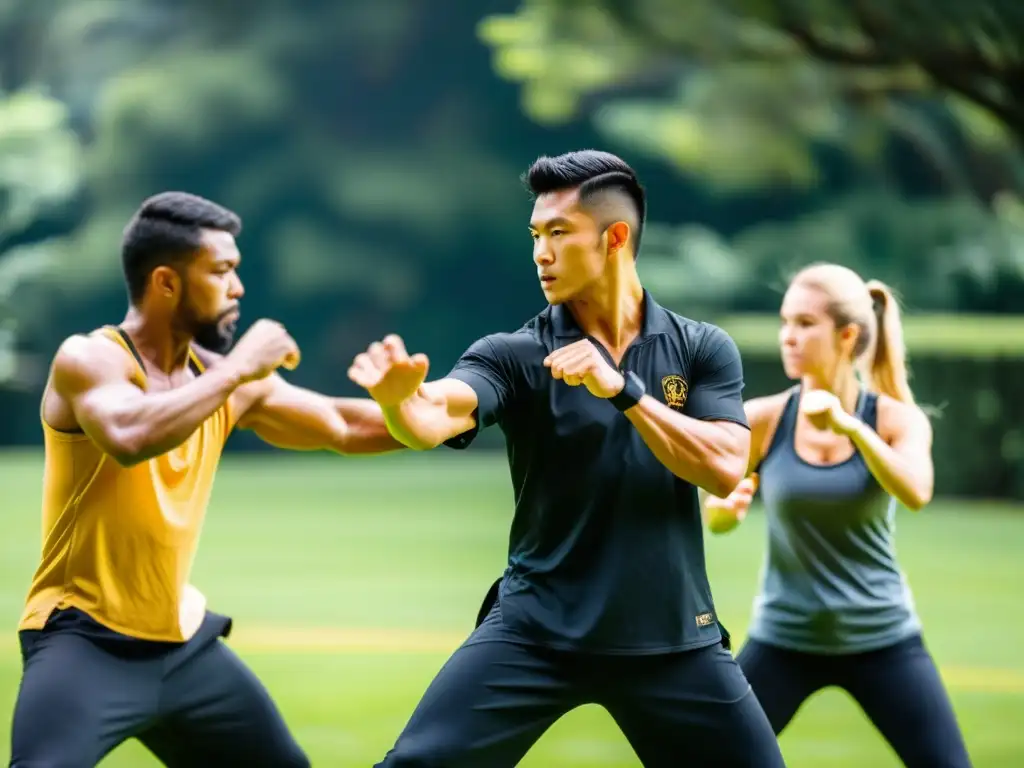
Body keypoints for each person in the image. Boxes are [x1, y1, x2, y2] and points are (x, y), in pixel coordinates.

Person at [348, 150, 786, 767]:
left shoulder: (701, 348)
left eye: (558, 233)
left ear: (614, 238)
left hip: (670, 638)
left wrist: (624, 390)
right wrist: (400, 403)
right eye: (535, 234)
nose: (540, 253)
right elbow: (433, 416)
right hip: (535, 632)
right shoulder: (514, 353)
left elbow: (722, 464)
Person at [9, 191, 402, 768]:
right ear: (166, 283)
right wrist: (241, 367)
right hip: (82, 640)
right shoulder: (90, 359)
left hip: (183, 647)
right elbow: (129, 436)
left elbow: (345, 424)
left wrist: (460, 407)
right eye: (221, 271)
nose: (238, 288)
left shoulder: (219, 378)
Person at [702, 263, 972, 767]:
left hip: (882, 637)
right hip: (784, 638)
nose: (788, 337)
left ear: (847, 335)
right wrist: (723, 513)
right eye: (785, 322)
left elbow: (916, 490)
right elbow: (716, 505)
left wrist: (851, 428)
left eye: (805, 324)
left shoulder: (894, 420)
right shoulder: (765, 418)